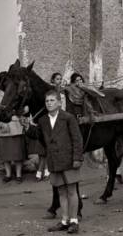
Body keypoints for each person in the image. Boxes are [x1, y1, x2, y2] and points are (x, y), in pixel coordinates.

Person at [27, 90, 83, 234]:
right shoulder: (43, 121)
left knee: (71, 190)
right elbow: (38, 136)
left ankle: (74, 221)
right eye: (47, 101)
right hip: (53, 160)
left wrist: (77, 158)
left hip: (69, 159)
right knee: (61, 192)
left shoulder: (68, 118)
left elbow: (77, 139)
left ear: (59, 102)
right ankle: (64, 221)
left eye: (52, 100)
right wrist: (27, 127)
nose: (49, 103)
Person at [0, 72, 26, 183]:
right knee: (6, 153)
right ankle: (8, 174)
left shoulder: (17, 93)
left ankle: (19, 174)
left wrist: (22, 113)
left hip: (17, 125)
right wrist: (0, 123)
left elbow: (23, 108)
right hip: (3, 126)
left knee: (18, 152)